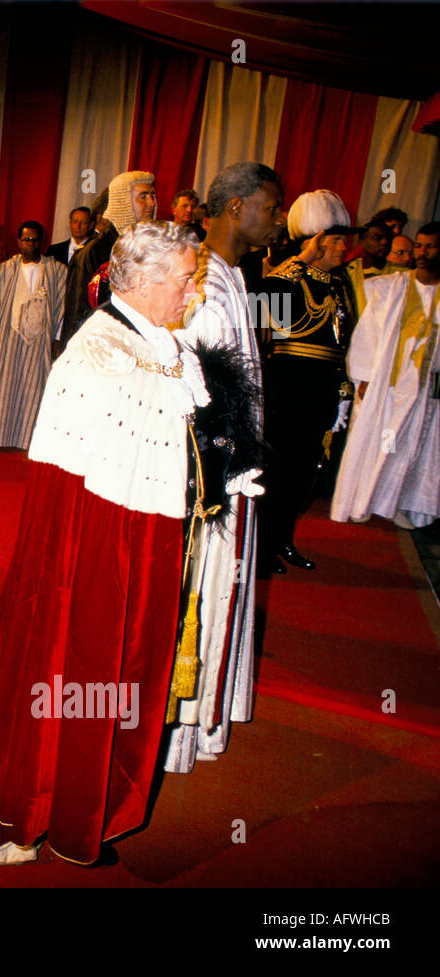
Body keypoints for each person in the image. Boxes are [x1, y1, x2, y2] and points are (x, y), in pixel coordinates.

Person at [0, 221, 210, 867]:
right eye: (185, 279)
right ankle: (34, 807)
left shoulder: (157, 340)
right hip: (98, 544)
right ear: (143, 281)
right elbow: (64, 492)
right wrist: (90, 572)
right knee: (73, 668)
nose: (193, 292)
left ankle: (88, 801)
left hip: (143, 533)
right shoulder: (98, 353)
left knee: (119, 671)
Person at [163, 162, 281, 774]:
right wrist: (223, 469)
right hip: (214, 475)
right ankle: (183, 727)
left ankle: (208, 715)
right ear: (236, 207)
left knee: (228, 587)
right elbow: (193, 392)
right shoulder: (201, 280)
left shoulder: (236, 275)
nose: (278, 220)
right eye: (271, 206)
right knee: (205, 591)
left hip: (240, 467)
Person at [258, 189, 361, 573]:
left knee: (305, 473)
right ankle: (261, 546)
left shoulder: (338, 283)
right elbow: (261, 311)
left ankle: (283, 538)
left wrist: (342, 387)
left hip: (320, 390)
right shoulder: (289, 278)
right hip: (287, 390)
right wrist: (299, 261)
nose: (342, 248)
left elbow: (342, 340)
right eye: (334, 240)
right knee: (277, 472)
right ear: (314, 241)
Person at [331, 222, 439, 529]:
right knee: (379, 442)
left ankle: (397, 503)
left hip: (424, 391)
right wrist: (363, 377)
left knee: (410, 447)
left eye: (430, 246)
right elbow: (368, 333)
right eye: (419, 246)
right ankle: (364, 500)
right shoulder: (392, 287)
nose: (422, 252)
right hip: (386, 387)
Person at [0, 220, 67, 450]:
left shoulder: (57, 271)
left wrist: (56, 339)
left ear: (42, 242)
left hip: (39, 342)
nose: (30, 244)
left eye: (35, 240)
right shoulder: (2, 272)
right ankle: (2, 434)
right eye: (26, 239)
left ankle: (29, 437)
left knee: (35, 387)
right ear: (19, 241)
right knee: (5, 385)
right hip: (9, 339)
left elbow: (61, 308)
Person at [60, 170, 156, 349]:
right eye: (143, 197)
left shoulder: (143, 248)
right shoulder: (96, 251)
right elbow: (80, 315)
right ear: (123, 202)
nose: (151, 203)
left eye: (152, 196)